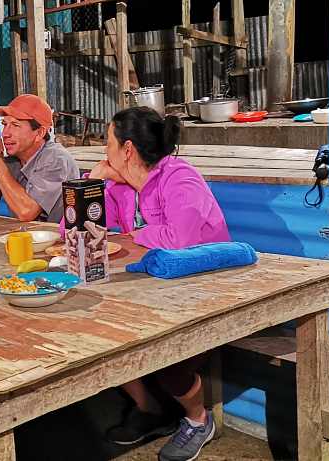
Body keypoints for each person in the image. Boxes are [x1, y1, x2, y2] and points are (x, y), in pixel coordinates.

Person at [89, 107, 230, 461]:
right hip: (151, 285)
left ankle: (199, 421)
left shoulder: (180, 177)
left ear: (127, 149)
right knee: (97, 329)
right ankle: (151, 410)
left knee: (166, 357)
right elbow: (74, 229)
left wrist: (131, 234)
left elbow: (180, 239)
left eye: (107, 142)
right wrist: (92, 184)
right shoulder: (118, 187)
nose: (103, 150)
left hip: (206, 288)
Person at [0, 94, 80, 222]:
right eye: (5, 124)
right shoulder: (14, 161)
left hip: (60, 239)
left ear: (39, 133)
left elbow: (26, 212)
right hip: (27, 236)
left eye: (15, 125)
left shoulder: (56, 159)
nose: (5, 133)